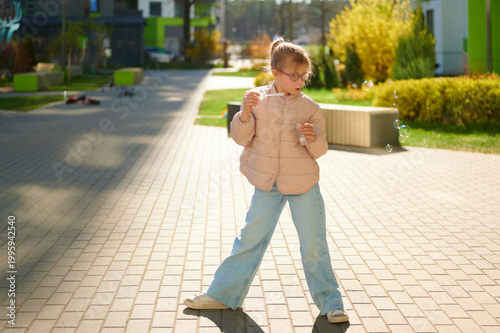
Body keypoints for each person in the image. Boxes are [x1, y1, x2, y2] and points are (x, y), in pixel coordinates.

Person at [184, 37, 349, 324]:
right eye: (294, 75)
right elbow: (240, 138)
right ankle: (223, 295)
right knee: (249, 238)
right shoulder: (256, 100)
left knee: (313, 244)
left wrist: (314, 138)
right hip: (267, 184)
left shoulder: (310, 107)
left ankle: (331, 303)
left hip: (303, 185)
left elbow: (320, 152)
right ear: (275, 73)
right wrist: (244, 114)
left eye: (304, 75)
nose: (300, 80)